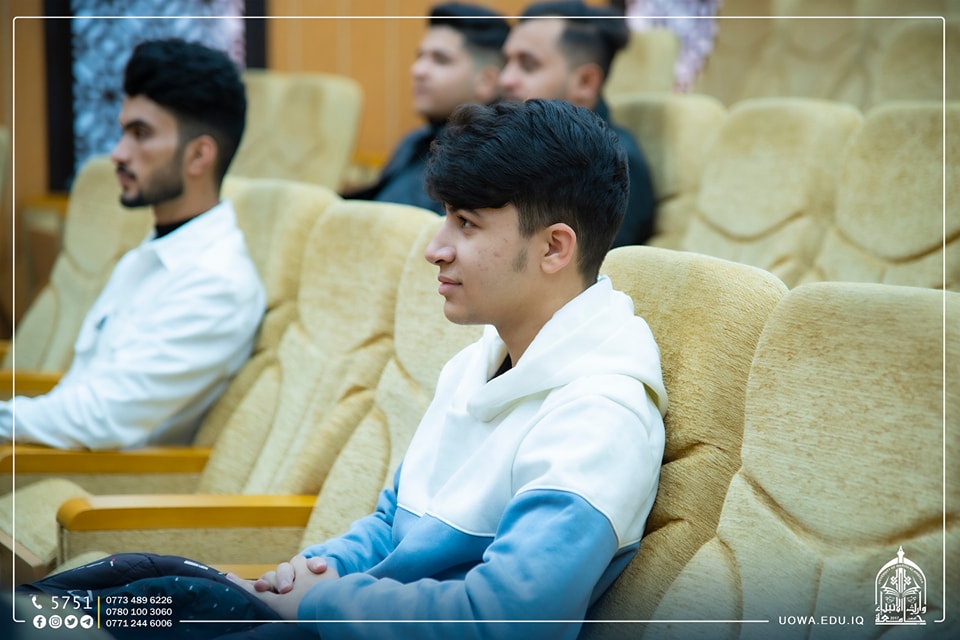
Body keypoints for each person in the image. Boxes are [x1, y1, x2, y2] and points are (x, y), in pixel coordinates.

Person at [19, 100, 667, 640]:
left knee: (116, 617)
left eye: (466, 224)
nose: (435, 248)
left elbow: (503, 622)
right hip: (347, 618)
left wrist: (325, 602)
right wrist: (312, 570)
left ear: (554, 247)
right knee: (133, 584)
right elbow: (391, 523)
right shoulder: (484, 360)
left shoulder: (598, 417)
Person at [0, 39, 265, 450]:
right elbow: (80, 391)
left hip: (103, 483)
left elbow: (100, 418)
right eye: (123, 132)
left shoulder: (218, 282)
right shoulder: (151, 251)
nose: (118, 153)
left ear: (199, 156)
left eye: (141, 134)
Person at [499, 0, 658, 247]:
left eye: (528, 66)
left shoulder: (613, 167)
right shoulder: (509, 142)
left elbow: (579, 267)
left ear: (586, 82)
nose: (505, 79)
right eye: (505, 63)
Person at [343, 2, 509, 214]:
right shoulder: (415, 141)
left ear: (486, 81)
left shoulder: (489, 160)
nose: (418, 70)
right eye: (420, 57)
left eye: (440, 60)